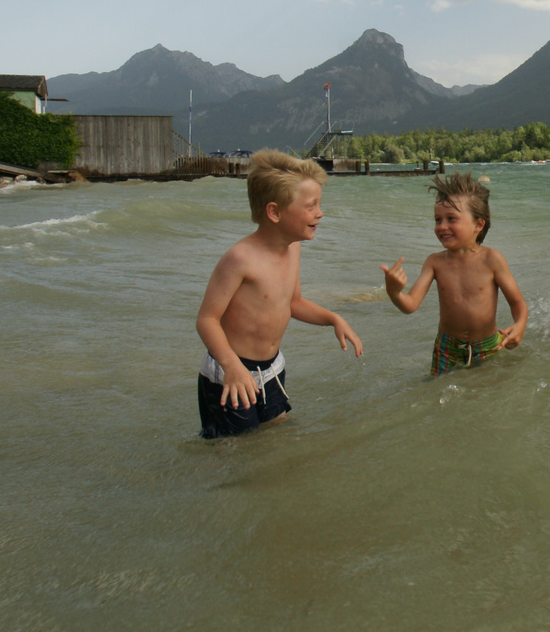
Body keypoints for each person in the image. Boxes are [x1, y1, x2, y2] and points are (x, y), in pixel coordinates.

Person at [193, 150, 363, 438]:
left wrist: (333, 318)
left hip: (271, 369)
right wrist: (232, 366)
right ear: (274, 212)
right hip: (232, 374)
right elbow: (207, 320)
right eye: (311, 206)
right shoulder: (240, 259)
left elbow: (293, 302)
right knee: (234, 455)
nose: (320, 213)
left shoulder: (292, 248)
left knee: (275, 441)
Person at [381, 171, 529, 374]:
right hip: (446, 348)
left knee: (488, 397)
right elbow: (410, 305)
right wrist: (395, 293)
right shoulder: (435, 262)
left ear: (478, 224)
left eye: (451, 219)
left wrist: (520, 325)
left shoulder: (492, 260)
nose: (442, 226)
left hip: (487, 346)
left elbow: (517, 302)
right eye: (437, 220)